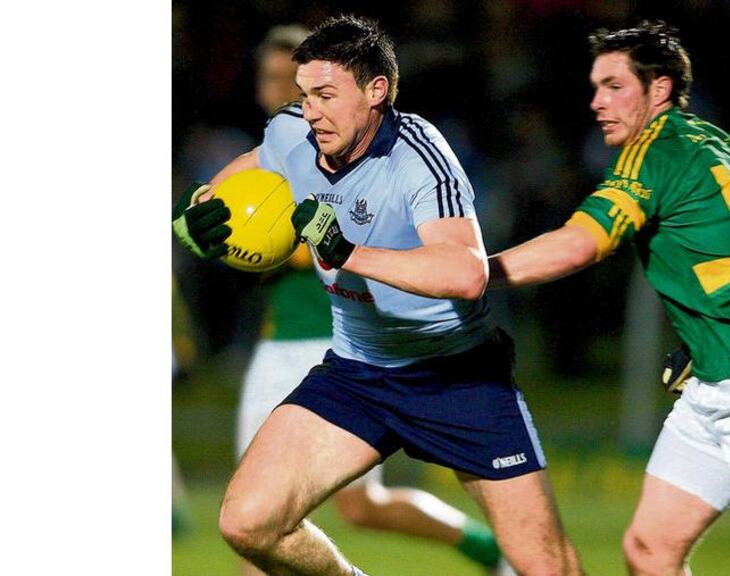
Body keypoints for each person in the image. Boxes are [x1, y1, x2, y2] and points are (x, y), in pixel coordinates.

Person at [172, 14, 582, 576]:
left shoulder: (420, 156)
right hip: (356, 373)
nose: (310, 111)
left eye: (325, 96)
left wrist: (348, 252)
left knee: (547, 567)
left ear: (376, 91)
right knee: (248, 522)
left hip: (454, 375)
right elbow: (256, 164)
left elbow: (465, 272)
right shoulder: (294, 132)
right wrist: (199, 209)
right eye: (305, 95)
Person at [487, 21, 730, 576]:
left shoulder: (651, 151)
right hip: (716, 378)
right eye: (595, 87)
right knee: (649, 550)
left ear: (659, 88)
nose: (597, 102)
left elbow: (580, 244)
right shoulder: (718, 146)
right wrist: (718, 331)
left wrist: (477, 273)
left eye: (614, 86)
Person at [233, 24, 511, 576]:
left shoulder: (376, 157)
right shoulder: (278, 152)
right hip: (279, 341)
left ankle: (487, 546)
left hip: (346, 342)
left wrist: (305, 246)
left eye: (309, 87)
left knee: (359, 506)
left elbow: (386, 246)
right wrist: (215, 227)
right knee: (254, 513)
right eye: (276, 80)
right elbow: (235, 217)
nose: (283, 92)